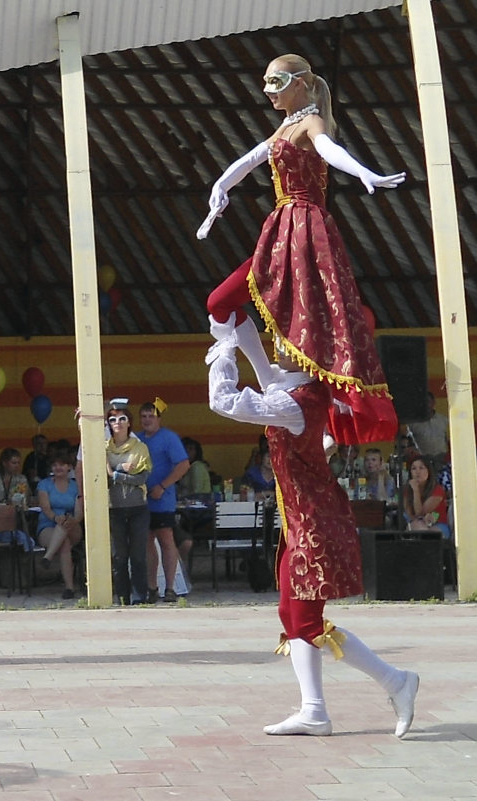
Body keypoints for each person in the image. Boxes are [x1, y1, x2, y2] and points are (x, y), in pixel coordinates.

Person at [205, 313, 419, 738]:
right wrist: (230, 323)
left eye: (286, 340)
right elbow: (256, 352)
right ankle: (318, 709)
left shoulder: (296, 403)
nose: (278, 344)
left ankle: (392, 682)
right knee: (293, 613)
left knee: (303, 616)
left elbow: (225, 402)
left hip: (314, 521)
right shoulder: (298, 389)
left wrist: (223, 352)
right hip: (301, 518)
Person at [197, 52, 402, 445]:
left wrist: (362, 171)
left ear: (301, 83)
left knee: (315, 319)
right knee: (221, 303)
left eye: (276, 83)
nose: (268, 92)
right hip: (280, 232)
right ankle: (267, 376)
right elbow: (249, 160)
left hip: (307, 230)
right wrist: (220, 186)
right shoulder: (284, 127)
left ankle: (322, 410)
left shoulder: (310, 121)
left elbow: (328, 149)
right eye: (267, 83)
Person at [138, 398, 190, 603]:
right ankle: (152, 587)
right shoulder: (136, 439)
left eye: (151, 416)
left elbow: (183, 464)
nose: (147, 420)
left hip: (163, 500)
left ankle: (170, 588)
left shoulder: (169, 438)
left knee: (166, 540)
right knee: (147, 542)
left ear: (159, 418)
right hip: (141, 501)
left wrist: (162, 486)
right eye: (143, 416)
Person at [104, 399, 151, 605]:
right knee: (119, 556)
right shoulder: (104, 449)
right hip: (114, 509)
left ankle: (140, 596)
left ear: (129, 423)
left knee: (138, 556)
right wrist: (123, 469)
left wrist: (116, 474)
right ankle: (122, 597)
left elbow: (141, 478)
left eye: (122, 419)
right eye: (113, 419)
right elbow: (100, 477)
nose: (118, 423)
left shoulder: (140, 448)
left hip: (138, 508)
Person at [36, 451, 83, 600]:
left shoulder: (77, 486)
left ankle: (48, 557)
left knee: (65, 526)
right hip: (48, 524)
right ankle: (69, 588)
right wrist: (56, 518)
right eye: (55, 465)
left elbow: (79, 512)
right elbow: (45, 508)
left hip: (73, 525)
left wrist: (72, 520)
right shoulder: (44, 484)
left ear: (69, 466)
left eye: (62, 464)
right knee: (64, 543)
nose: (58, 468)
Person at [403, 455, 451, 539]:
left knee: (430, 534)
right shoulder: (407, 490)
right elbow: (411, 515)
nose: (417, 472)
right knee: (419, 527)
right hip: (416, 524)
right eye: (414, 469)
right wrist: (415, 490)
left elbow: (420, 512)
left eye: (421, 468)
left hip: (438, 524)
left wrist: (416, 491)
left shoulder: (437, 490)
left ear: (428, 471)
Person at [407, 392, 449, 470]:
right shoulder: (413, 422)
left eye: (428, 402)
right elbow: (407, 443)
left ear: (433, 403)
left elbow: (450, 441)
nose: (425, 405)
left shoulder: (443, 420)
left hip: (441, 460)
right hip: (422, 461)